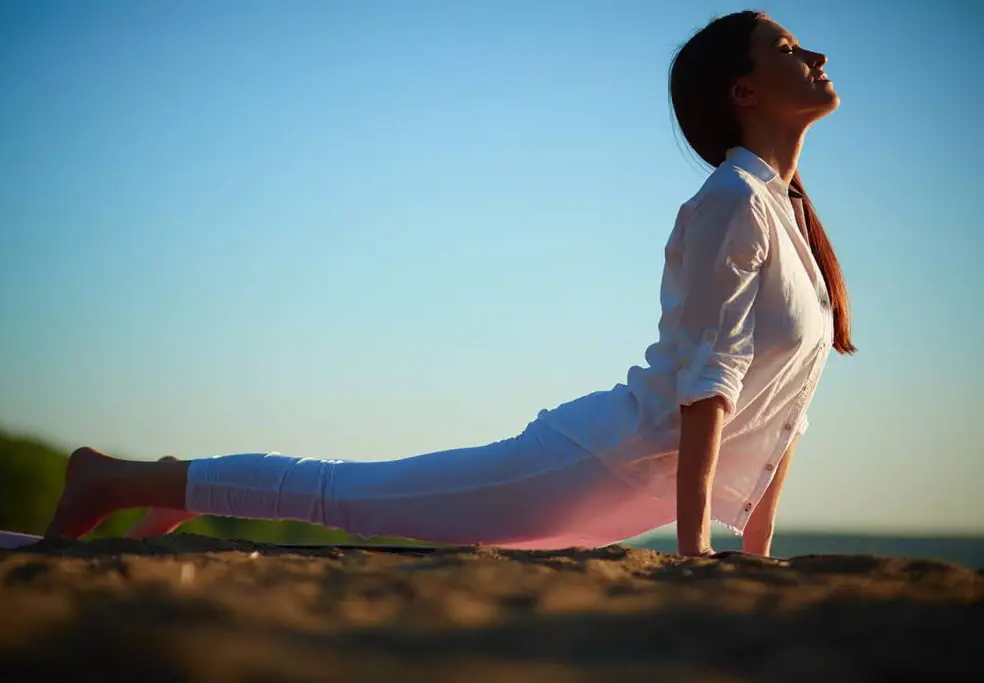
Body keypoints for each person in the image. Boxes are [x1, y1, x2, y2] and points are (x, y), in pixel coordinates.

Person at [46, 10, 855, 558]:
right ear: (743, 93)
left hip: (630, 491)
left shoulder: (788, 220)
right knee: (348, 496)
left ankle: (167, 479)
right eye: (787, 49)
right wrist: (694, 554)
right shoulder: (730, 203)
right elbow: (706, 385)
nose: (814, 55)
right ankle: (117, 477)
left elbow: (783, 411)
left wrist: (753, 555)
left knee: (352, 496)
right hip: (593, 465)